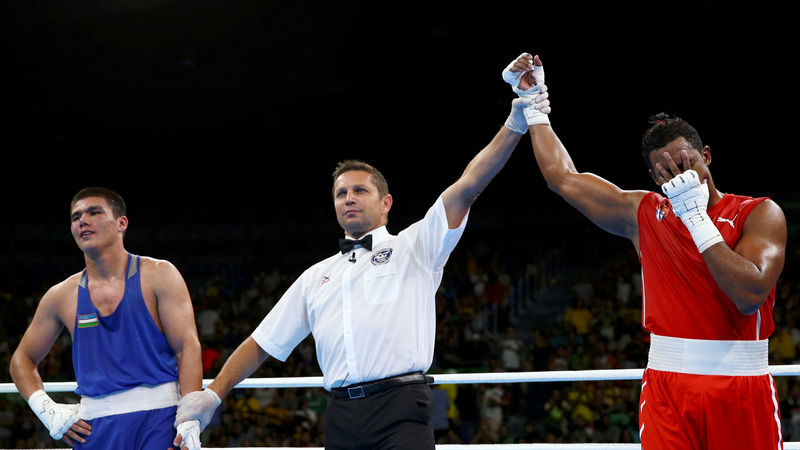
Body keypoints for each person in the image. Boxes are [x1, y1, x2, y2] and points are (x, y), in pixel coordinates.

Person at [172, 95, 545, 449]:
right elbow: (261, 343)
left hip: (400, 405)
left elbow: (467, 187)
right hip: (339, 414)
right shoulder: (315, 276)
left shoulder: (414, 246)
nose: (348, 197)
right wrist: (211, 395)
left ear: (386, 203)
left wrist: (514, 123)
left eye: (359, 191)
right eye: (340, 193)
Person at [503, 52, 786, 449]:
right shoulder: (643, 213)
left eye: (688, 165)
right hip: (667, 388)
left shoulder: (758, 213)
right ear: (655, 178)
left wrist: (694, 217)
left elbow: (749, 295)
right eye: (668, 172)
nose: (682, 177)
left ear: (706, 156)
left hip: (741, 386)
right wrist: (535, 106)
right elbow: (562, 178)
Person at [9, 187, 203, 449]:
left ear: (122, 222)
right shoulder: (61, 295)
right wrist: (46, 410)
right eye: (76, 216)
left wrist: (191, 418)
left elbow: (187, 347)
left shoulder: (159, 274)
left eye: (94, 212)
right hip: (93, 427)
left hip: (161, 419)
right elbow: (21, 359)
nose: (82, 220)